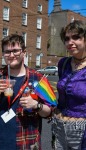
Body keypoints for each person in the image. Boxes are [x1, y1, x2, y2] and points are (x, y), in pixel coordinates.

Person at [0, 34, 57, 150]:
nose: (11, 55)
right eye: (7, 52)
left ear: (24, 52)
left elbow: (51, 112)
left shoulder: (38, 79)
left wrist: (36, 105)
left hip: (25, 143)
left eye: (15, 51)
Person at [52, 20, 86, 149]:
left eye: (76, 37)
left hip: (82, 132)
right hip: (59, 127)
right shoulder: (63, 63)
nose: (70, 42)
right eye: (67, 39)